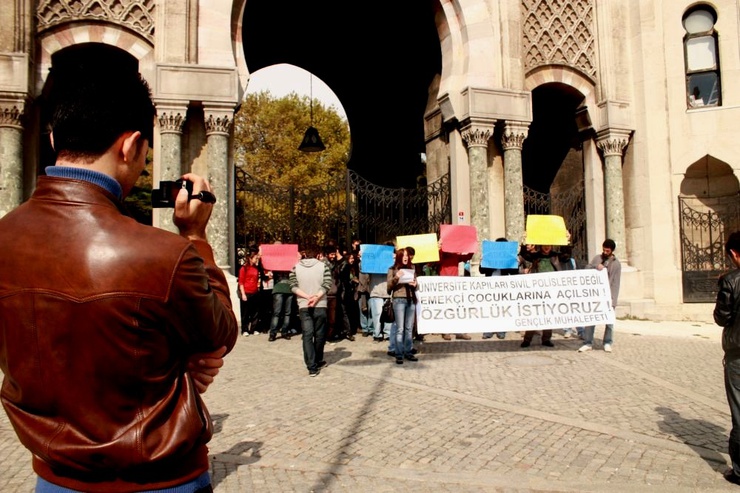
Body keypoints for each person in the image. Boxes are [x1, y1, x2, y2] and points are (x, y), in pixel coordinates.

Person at [0, 62, 238, 492]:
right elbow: (219, 333)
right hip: (160, 480)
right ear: (130, 146)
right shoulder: (163, 255)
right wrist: (196, 235)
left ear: (54, 139)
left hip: (55, 479)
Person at [713, 231, 740, 486]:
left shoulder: (730, 280)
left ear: (733, 254)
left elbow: (722, 317)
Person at [290, 246, 333, 376]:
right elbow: (327, 284)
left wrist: (307, 297)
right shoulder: (323, 266)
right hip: (320, 303)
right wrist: (316, 297)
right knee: (319, 334)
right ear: (318, 255)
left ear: (304, 254)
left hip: (304, 304)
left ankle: (311, 366)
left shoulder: (295, 267)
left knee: (307, 335)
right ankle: (318, 359)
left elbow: (292, 286)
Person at [578, 239, 622, 353]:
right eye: (604, 250)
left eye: (607, 250)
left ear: (612, 251)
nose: (605, 252)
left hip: (608, 295)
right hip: (595, 294)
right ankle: (588, 342)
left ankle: (607, 342)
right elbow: (586, 269)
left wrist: (613, 300)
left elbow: (615, 283)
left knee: (609, 321)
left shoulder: (616, 264)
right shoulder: (597, 258)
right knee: (591, 319)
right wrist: (595, 267)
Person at [521, 245, 560, 348]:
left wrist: (567, 242)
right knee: (534, 313)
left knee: (549, 314)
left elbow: (566, 256)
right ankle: (527, 339)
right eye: (545, 246)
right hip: (537, 289)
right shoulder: (535, 256)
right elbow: (524, 255)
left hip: (551, 288)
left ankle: (546, 338)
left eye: (549, 245)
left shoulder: (555, 256)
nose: (547, 248)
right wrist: (524, 244)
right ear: (541, 246)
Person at [387, 247, 419, 365]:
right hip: (399, 300)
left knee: (409, 328)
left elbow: (417, 286)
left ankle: (408, 351)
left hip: (411, 300)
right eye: (404, 255)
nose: (406, 257)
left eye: (407, 255)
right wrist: (397, 277)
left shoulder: (412, 268)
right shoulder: (393, 269)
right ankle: (399, 354)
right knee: (400, 328)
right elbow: (388, 287)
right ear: (400, 256)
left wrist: (415, 284)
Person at [438, 246, 474, 341]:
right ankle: (446, 332)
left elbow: (465, 258)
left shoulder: (455, 253)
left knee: (457, 308)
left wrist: (472, 247)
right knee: (446, 309)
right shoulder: (441, 252)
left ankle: (459, 332)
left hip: (455, 284)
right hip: (444, 284)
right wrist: (439, 248)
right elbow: (436, 261)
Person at [238, 250, 261, 336]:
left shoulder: (256, 268)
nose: (256, 259)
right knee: (245, 313)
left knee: (255, 312)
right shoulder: (243, 268)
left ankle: (254, 328)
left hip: (255, 291)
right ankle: (245, 329)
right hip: (246, 292)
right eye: (255, 258)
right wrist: (243, 294)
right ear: (250, 259)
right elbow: (241, 282)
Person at [268, 269, 295, 341]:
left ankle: (284, 332)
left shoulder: (293, 262)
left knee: (287, 313)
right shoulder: (278, 262)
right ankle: (273, 333)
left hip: (289, 289)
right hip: (279, 289)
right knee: (277, 312)